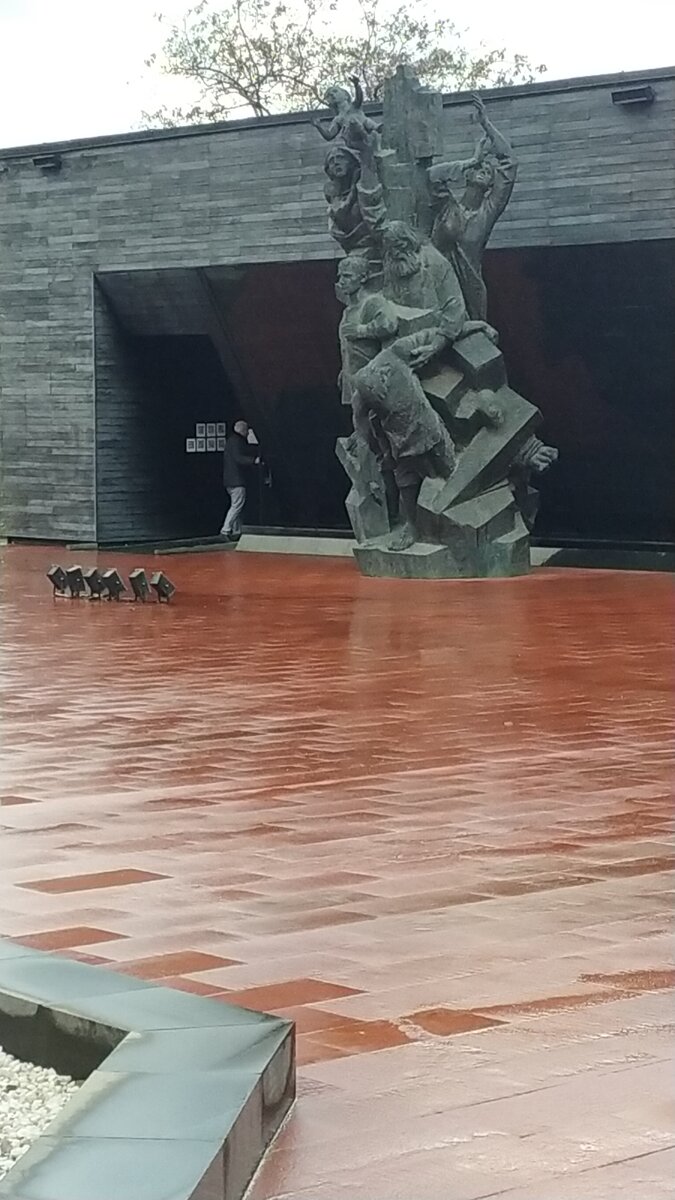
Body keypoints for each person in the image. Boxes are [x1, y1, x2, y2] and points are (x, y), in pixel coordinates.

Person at [220, 420, 258, 540]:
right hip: (237, 480)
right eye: (246, 430)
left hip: (229, 480)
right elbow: (239, 458)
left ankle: (237, 530)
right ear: (242, 430)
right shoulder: (237, 442)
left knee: (237, 506)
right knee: (237, 506)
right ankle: (226, 529)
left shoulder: (230, 441)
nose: (248, 433)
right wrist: (253, 460)